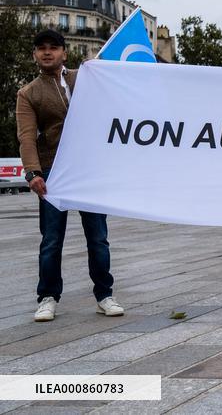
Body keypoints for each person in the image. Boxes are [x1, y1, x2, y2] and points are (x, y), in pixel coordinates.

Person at [16, 30, 124, 322]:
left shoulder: (88, 78)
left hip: (90, 167)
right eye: (41, 49)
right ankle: (48, 297)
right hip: (52, 170)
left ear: (64, 52)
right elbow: (27, 137)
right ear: (35, 55)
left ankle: (105, 294)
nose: (47, 53)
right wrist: (33, 173)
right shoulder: (28, 94)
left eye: (53, 48)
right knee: (51, 238)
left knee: (98, 237)